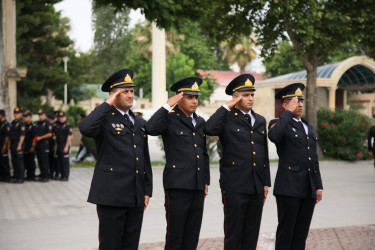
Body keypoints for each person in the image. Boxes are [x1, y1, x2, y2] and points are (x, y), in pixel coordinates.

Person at [80, 69, 152, 250]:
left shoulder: (138, 122)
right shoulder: (104, 118)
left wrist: (147, 189)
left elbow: (144, 157)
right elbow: (86, 129)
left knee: (131, 245)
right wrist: (107, 103)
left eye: (131, 91)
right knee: (110, 245)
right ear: (113, 94)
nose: (130, 95)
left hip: (135, 195)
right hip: (111, 196)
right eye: (124, 91)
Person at [204, 74, 271, 250]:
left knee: (251, 234)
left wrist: (265, 182)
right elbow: (209, 128)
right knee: (234, 235)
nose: (250, 98)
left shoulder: (260, 120)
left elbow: (263, 154)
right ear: (235, 97)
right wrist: (227, 106)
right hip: (235, 185)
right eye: (246, 94)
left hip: (256, 185)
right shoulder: (226, 117)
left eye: (252, 95)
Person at [145, 77, 210, 250]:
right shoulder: (169, 118)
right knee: (175, 236)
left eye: (196, 97)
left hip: (197, 185)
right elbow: (150, 128)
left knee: (192, 235)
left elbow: (203, 153)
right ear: (179, 98)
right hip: (178, 186)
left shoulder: (200, 121)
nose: (194, 101)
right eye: (190, 97)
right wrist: (167, 105)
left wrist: (205, 181)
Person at [268, 83, 323, 250]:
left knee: (301, 233)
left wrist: (318, 186)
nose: (299, 104)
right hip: (289, 188)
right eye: (295, 101)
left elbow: (313, 159)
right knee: (286, 233)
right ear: (285, 105)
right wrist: (287, 113)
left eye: (301, 101)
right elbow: (275, 136)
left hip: (308, 188)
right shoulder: (278, 124)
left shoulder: (308, 127)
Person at [35, 108, 52, 182]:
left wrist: (40, 137)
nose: (40, 116)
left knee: (45, 161)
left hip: (44, 144)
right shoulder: (39, 123)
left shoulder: (47, 123)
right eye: (39, 115)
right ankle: (42, 174)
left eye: (41, 115)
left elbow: (49, 134)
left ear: (45, 115)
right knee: (40, 160)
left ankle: (46, 176)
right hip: (38, 145)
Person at [9, 107, 26, 183]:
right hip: (12, 143)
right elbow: (10, 135)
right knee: (14, 161)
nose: (16, 115)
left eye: (17, 113)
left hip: (18, 143)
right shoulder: (13, 123)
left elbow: (22, 135)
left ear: (21, 114)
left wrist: (19, 145)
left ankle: (21, 177)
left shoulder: (22, 123)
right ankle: (16, 176)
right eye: (15, 113)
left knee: (19, 161)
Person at [55, 111, 72, 181]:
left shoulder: (68, 125)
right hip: (58, 145)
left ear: (65, 117)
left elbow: (69, 136)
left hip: (64, 144)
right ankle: (61, 175)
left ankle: (65, 175)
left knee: (65, 161)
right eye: (60, 117)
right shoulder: (58, 124)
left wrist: (66, 146)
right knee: (59, 161)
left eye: (62, 117)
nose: (61, 118)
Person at [23, 111, 37, 181]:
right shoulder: (23, 126)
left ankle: (32, 175)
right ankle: (28, 175)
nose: (25, 118)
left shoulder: (33, 126)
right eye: (24, 117)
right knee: (26, 161)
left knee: (31, 161)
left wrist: (33, 146)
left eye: (26, 117)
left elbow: (35, 137)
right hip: (25, 145)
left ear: (30, 117)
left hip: (30, 145)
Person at [0, 109, 11, 182]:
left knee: (5, 162)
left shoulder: (6, 124)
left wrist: (5, 146)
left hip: (4, 145)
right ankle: (2, 176)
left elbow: (7, 137)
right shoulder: (1, 124)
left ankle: (7, 176)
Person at [47, 113, 59, 179]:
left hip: (54, 145)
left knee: (54, 160)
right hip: (50, 144)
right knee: (50, 160)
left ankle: (55, 173)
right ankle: (51, 173)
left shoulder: (55, 125)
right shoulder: (50, 125)